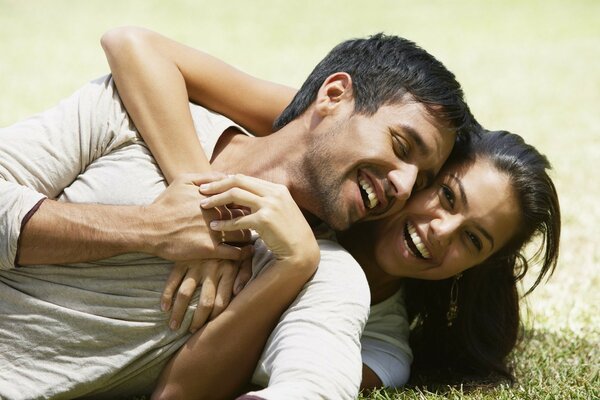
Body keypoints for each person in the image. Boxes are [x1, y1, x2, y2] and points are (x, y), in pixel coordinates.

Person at [0, 31, 475, 399]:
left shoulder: (323, 272)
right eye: (400, 145)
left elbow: (312, 380)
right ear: (333, 97)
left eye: (424, 179)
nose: (405, 185)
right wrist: (155, 228)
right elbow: (131, 43)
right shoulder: (125, 112)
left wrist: (292, 266)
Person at [100, 28, 560, 397]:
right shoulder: (341, 141)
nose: (442, 231)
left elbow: (278, 379)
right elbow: (132, 45)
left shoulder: (380, 346)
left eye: (473, 240)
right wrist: (204, 213)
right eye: (446, 197)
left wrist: (294, 266)